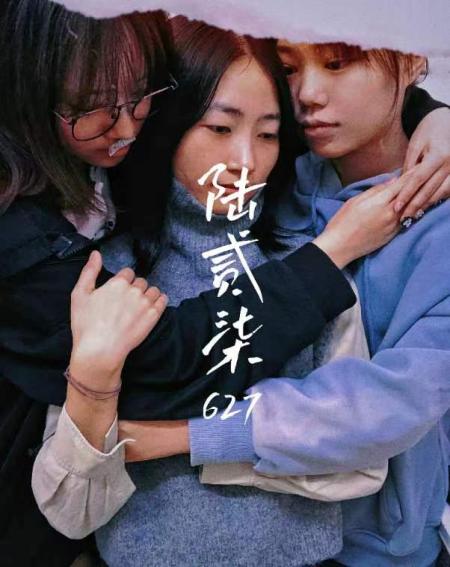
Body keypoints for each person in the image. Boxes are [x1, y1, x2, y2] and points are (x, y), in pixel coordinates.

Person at [34, 16, 450, 567]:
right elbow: (69, 508)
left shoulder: (309, 259)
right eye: (219, 128)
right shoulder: (111, 273)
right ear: (170, 124)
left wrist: (185, 437)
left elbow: (365, 459)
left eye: (268, 134)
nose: (245, 161)